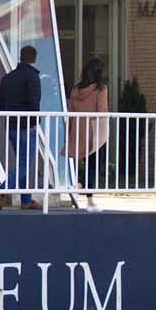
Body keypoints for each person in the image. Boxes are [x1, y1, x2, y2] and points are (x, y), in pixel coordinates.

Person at [0, 45, 42, 210]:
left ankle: (26, 200)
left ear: (21, 57)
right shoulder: (32, 77)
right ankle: (1, 189)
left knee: (22, 162)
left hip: (11, 126)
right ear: (34, 59)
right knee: (25, 164)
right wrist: (35, 122)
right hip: (27, 125)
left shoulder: (7, 78)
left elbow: (1, 104)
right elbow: (34, 102)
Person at [66, 55, 109, 211]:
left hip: (78, 128)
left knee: (80, 161)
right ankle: (88, 196)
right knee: (95, 163)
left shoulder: (76, 89)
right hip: (93, 129)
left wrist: (69, 130)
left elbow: (71, 111)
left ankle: (79, 185)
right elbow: (102, 110)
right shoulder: (101, 89)